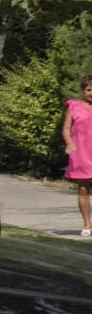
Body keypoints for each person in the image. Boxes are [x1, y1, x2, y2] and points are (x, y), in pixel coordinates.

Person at [64, 75, 92, 238]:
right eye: (88, 89)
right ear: (83, 91)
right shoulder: (74, 107)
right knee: (83, 189)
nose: (91, 93)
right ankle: (87, 224)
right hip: (81, 153)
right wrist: (69, 143)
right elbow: (66, 128)